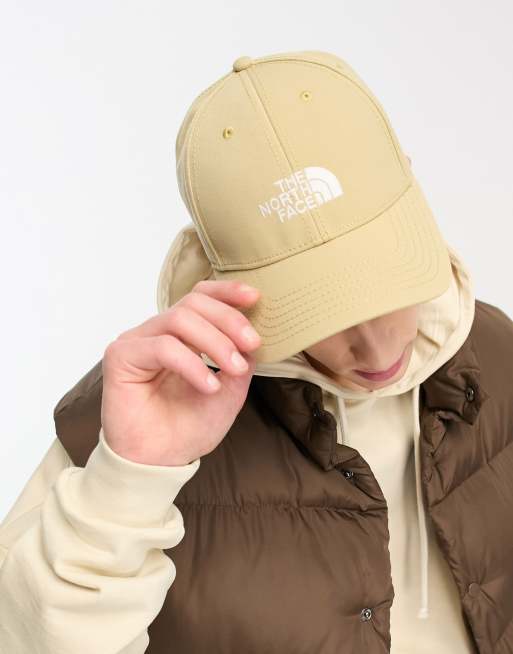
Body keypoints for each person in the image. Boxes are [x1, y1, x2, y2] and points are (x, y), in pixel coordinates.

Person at [1, 49, 512, 654]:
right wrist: (130, 479)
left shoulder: (493, 352)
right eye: (322, 310)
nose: (378, 348)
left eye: (387, 284)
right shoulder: (137, 417)